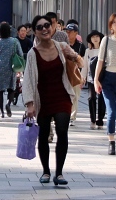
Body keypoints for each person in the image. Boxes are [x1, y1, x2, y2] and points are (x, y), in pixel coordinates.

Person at [23, 14, 84, 186]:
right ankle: (46, 171)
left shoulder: (62, 46)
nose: (44, 29)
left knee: (62, 131)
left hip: (62, 95)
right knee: (43, 136)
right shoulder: (32, 54)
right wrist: (29, 104)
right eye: (40, 27)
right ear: (35, 32)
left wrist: (72, 56)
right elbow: (28, 79)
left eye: (47, 25)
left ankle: (59, 173)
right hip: (43, 98)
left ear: (53, 27)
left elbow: (80, 64)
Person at [94, 13, 116, 155]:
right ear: (111, 26)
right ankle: (111, 141)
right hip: (108, 79)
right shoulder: (106, 40)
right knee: (111, 113)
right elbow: (100, 61)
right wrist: (96, 79)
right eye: (114, 22)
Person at [0, 21, 23, 118]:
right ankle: (8, 104)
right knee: (11, 89)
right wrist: (20, 70)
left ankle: (2, 112)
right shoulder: (14, 41)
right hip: (11, 67)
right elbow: (20, 54)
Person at [82, 30, 106, 130]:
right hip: (91, 78)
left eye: (97, 36)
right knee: (91, 97)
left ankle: (100, 119)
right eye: (93, 37)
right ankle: (92, 119)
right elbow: (85, 65)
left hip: (102, 78)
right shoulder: (88, 51)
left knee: (101, 99)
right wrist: (82, 77)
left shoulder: (104, 50)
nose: (95, 39)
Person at [64, 23, 85, 126]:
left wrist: (83, 76)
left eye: (70, 32)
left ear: (76, 33)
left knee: (75, 96)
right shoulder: (63, 44)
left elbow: (84, 63)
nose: (68, 33)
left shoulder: (81, 46)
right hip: (64, 74)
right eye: (66, 31)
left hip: (76, 75)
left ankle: (72, 117)